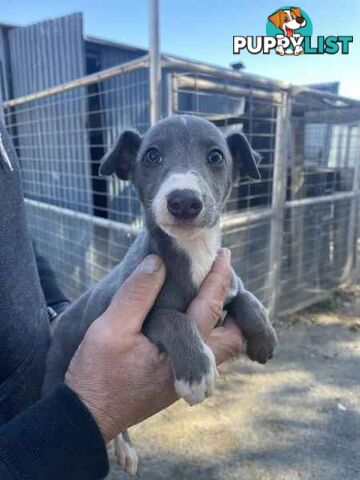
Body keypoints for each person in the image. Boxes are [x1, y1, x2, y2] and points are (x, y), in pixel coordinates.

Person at [0, 120, 243, 479]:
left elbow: (13, 241)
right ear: (129, 163)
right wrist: (91, 414)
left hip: (43, 362)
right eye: (154, 156)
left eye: (214, 157)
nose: (184, 189)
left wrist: (53, 307)